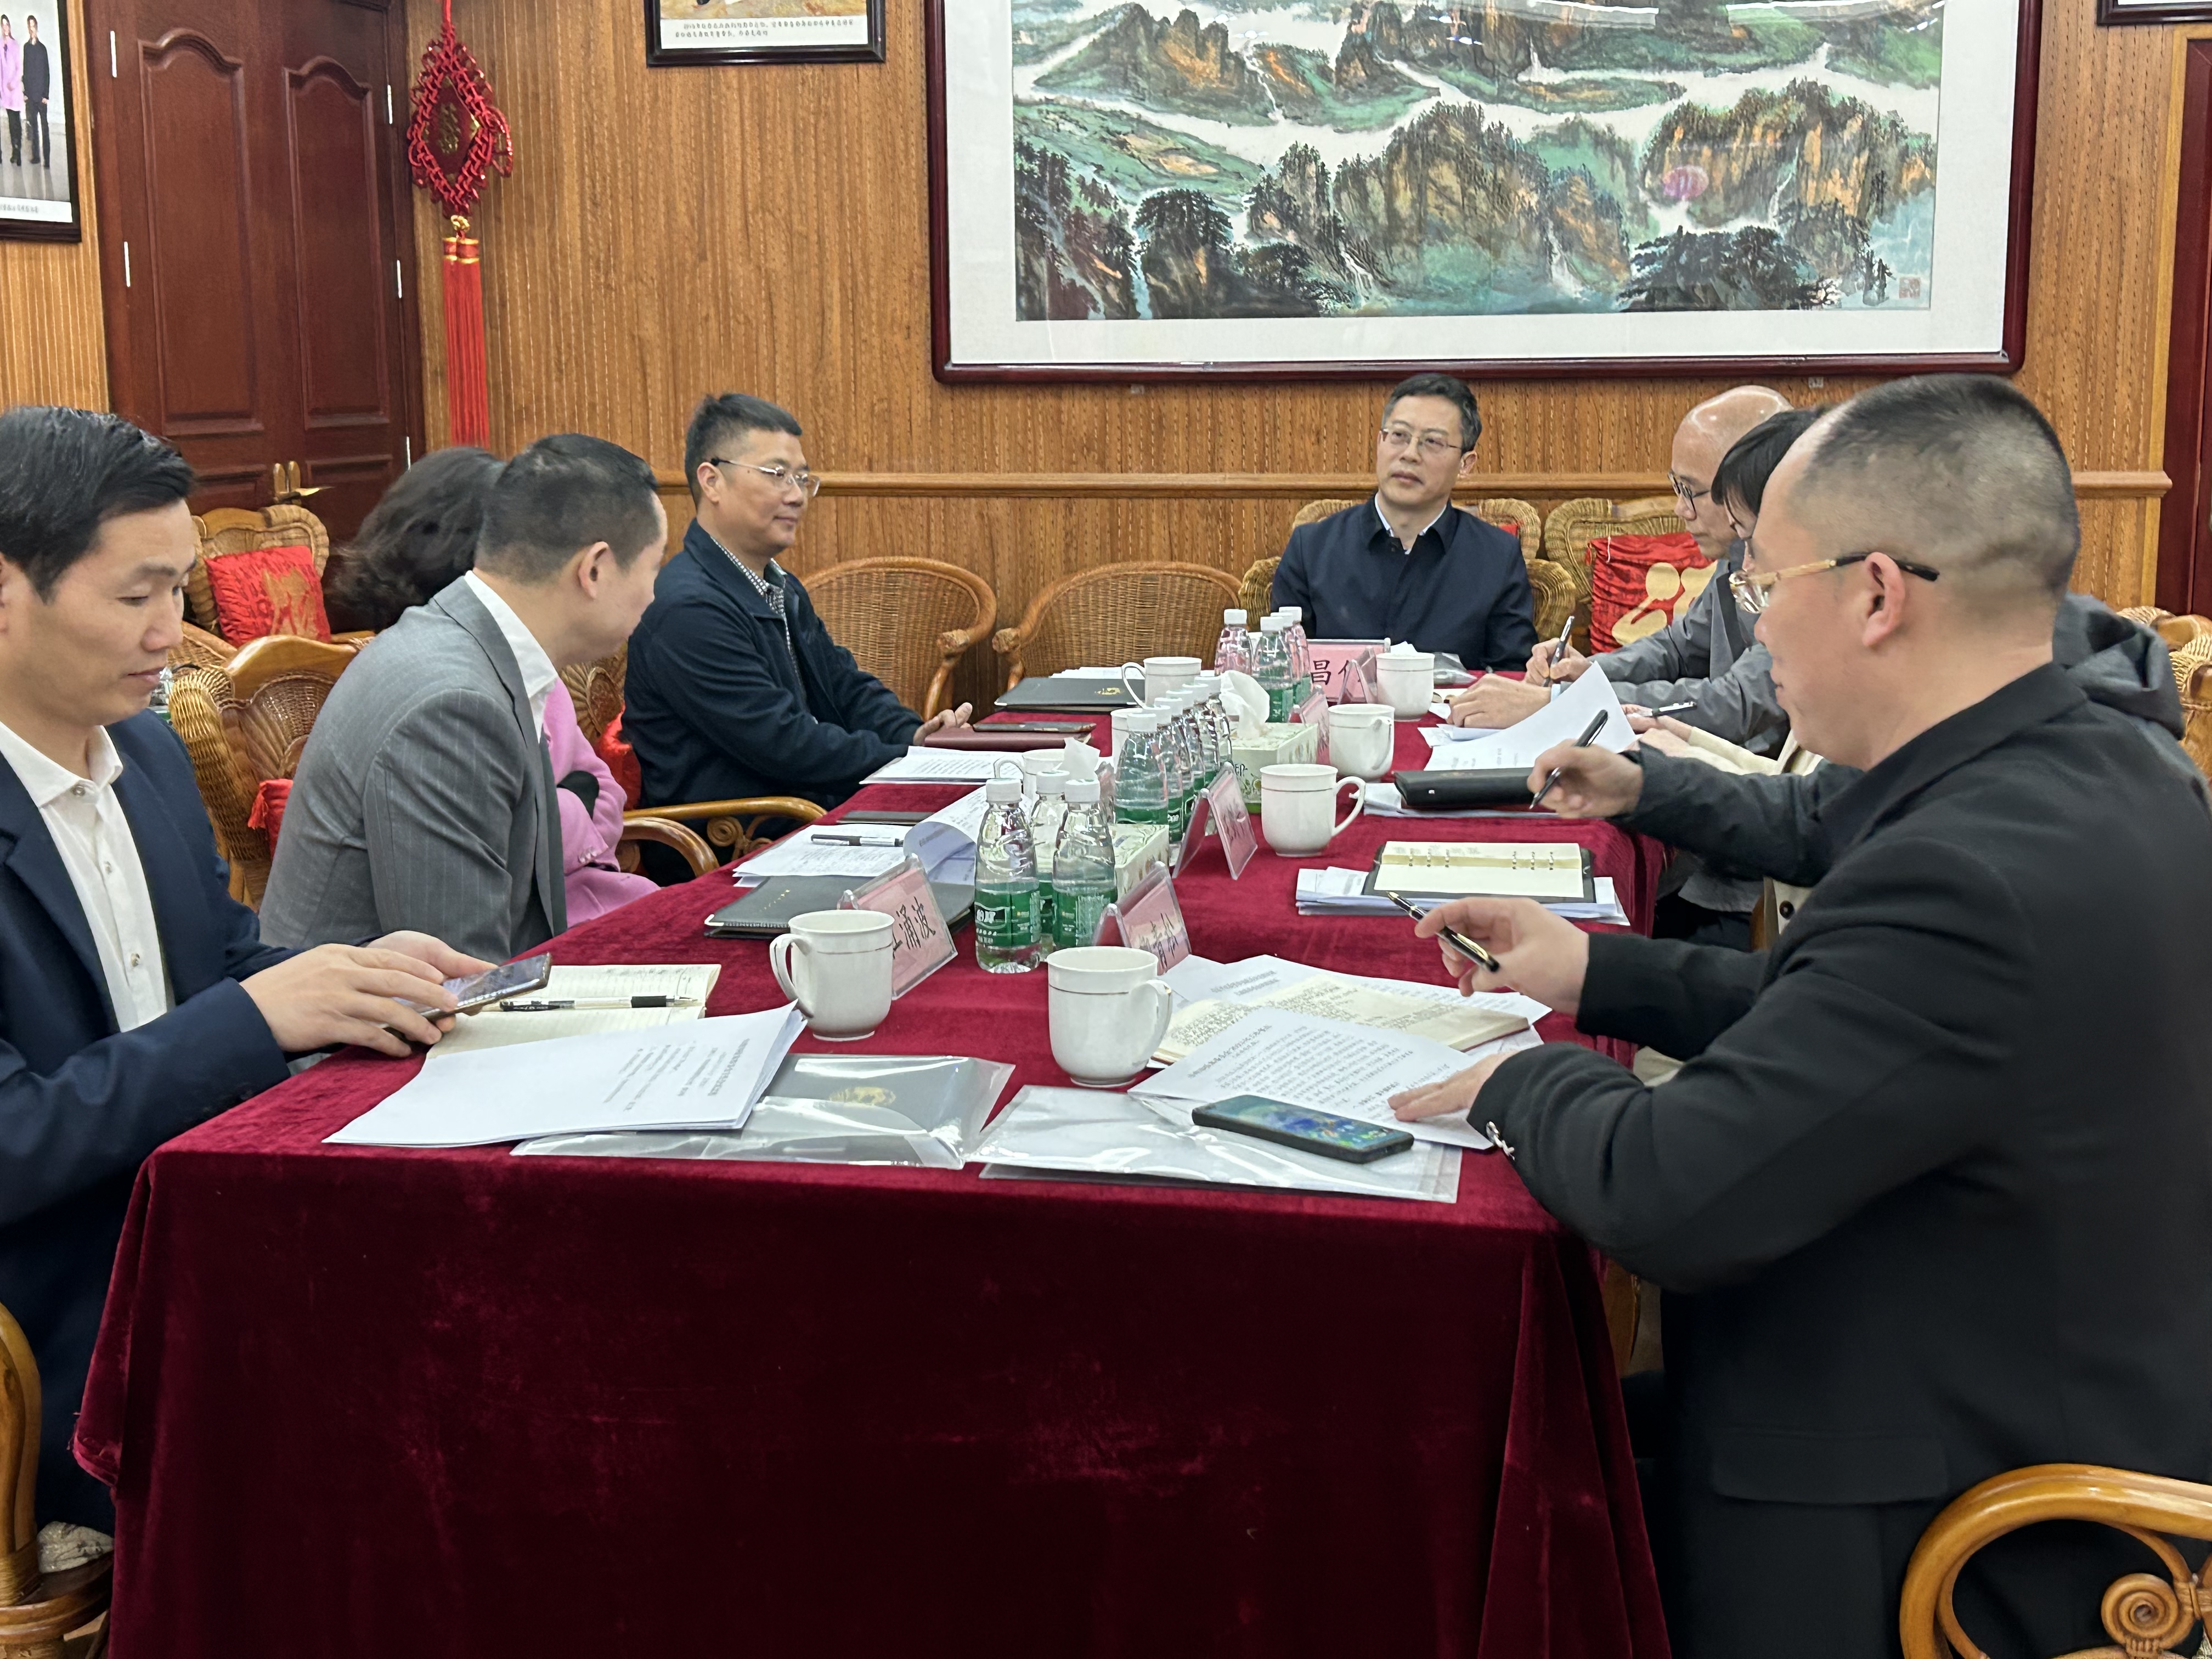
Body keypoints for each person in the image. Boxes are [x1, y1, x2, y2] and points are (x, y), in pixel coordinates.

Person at [1391, 376, 2212, 1659]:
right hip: (1985, 1366)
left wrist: (1515, 1084)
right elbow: (1848, 1026)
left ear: (1878, 594)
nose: (1757, 624)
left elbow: (1668, 1194)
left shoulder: (1968, 870)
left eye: (1766, 584)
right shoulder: (2098, 760)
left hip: (1955, 1522)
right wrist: (1593, 976)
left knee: (1444, 1496)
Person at [0, 407, 486, 1528]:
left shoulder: (149, 753)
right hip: (52, 1324)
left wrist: (351, 977)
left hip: (206, 1235)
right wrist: (258, 1015)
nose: (172, 632)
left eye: (180, 589)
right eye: (138, 595)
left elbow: (222, 960)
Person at [262, 433, 665, 962]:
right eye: (653, 570)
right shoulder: (454, 706)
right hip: (381, 1015)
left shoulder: (467, 643)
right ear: (594, 570)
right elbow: (463, 978)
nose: (654, 595)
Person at [623, 392, 971, 815]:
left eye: (802, 478)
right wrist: (911, 760)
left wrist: (917, 736)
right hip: (739, 836)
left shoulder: (779, 585)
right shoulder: (688, 609)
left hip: (804, 809)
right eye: (777, 474)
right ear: (712, 481)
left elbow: (845, 686)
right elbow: (783, 743)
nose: (797, 496)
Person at [1449, 385, 1792, 737]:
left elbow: (1736, 703)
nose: (1681, 509)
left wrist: (1563, 703)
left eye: (1691, 491)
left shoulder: (1800, 572)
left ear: (1754, 483)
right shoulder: (1738, 551)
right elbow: (1680, 647)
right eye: (1677, 487)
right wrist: (1590, 673)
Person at [1269, 373, 1536, 670]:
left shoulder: (1497, 556)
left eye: (1433, 442)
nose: (1409, 454)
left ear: (1465, 464)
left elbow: (1512, 676)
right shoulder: (1312, 549)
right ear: (1380, 442)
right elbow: (1282, 672)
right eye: (1399, 436)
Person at [20, 14, 44, 170]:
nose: (32, 29)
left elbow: (45, 72)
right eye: (29, 26)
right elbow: (26, 71)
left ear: (36, 27)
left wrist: (45, 95)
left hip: (40, 95)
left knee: (44, 128)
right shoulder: (26, 47)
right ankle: (36, 156)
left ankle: (46, 159)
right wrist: (25, 92)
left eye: (33, 25)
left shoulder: (42, 49)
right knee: (33, 127)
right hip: (30, 95)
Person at [1, 18, 21, 170]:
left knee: (16, 122)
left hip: (14, 91)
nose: (5, 28)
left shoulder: (15, 45)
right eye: (3, 26)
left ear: (10, 26)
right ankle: (14, 151)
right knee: (10, 122)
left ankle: (18, 151)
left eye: (7, 25)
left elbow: (19, 68)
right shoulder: (1, 45)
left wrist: (13, 84)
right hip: (5, 93)